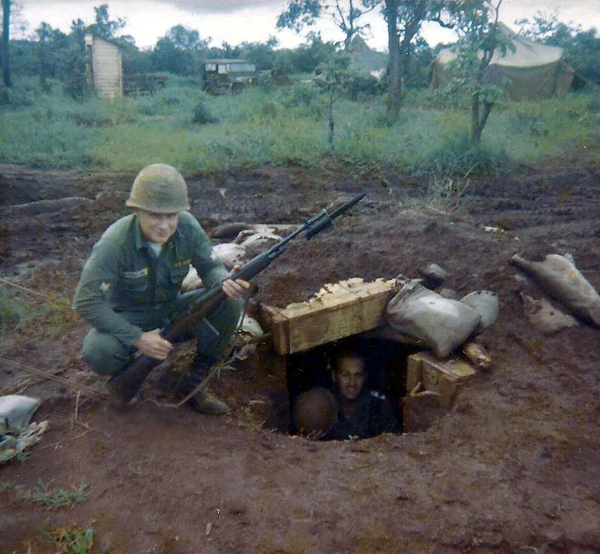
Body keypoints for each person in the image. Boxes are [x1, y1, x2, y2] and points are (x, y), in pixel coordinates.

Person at [73, 163, 249, 415]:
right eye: (156, 216)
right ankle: (130, 378)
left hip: (173, 310)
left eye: (172, 215)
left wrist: (224, 282)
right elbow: (86, 301)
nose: (165, 225)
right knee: (98, 352)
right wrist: (138, 339)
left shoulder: (187, 227)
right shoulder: (115, 243)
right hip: (130, 317)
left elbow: (210, 268)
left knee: (229, 301)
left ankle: (195, 381)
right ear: (137, 210)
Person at [323, 350, 400, 440]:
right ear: (334, 376)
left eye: (358, 375)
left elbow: (395, 442)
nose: (352, 383)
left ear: (365, 377)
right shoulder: (323, 403)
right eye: (345, 375)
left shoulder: (378, 405)